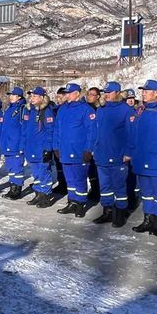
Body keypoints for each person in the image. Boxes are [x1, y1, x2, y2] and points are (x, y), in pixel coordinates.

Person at [125, 79, 157, 237]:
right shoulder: (140, 110)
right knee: (145, 192)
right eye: (143, 91)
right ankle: (148, 220)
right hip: (141, 158)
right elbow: (133, 135)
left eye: (146, 91)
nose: (143, 93)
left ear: (156, 94)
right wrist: (130, 153)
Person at [53, 82, 97, 217]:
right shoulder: (62, 109)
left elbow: (92, 131)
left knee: (79, 179)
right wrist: (56, 147)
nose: (67, 95)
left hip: (79, 151)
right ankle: (72, 201)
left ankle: (80, 203)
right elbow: (57, 130)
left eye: (69, 93)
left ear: (77, 94)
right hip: (65, 150)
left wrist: (88, 149)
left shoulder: (86, 109)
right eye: (66, 93)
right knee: (70, 179)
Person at [91, 81, 131, 227]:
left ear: (117, 93)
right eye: (105, 92)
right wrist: (93, 148)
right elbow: (95, 132)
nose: (106, 95)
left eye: (109, 92)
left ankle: (119, 214)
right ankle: (107, 212)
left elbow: (131, 133)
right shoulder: (101, 110)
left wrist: (128, 152)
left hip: (118, 155)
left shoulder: (126, 110)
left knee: (119, 187)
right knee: (105, 187)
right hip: (101, 154)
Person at [21, 87, 56, 208]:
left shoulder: (47, 111)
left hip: (41, 149)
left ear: (42, 98)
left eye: (35, 96)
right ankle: (38, 194)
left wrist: (48, 149)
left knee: (43, 173)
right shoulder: (30, 111)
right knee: (35, 174)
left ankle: (45, 196)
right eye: (31, 96)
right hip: (31, 148)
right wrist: (24, 145)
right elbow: (25, 130)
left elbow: (50, 132)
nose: (32, 98)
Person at [0, 86, 27, 199]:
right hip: (8, 143)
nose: (11, 97)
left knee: (17, 168)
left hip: (16, 144)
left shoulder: (22, 109)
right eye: (10, 95)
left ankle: (17, 190)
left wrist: (21, 145)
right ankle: (12, 188)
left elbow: (24, 129)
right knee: (10, 167)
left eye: (13, 95)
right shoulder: (9, 108)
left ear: (19, 97)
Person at [122, 88, 140, 215]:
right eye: (128, 99)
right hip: (122, 148)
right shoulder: (123, 112)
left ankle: (131, 199)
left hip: (134, 149)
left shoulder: (137, 112)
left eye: (132, 99)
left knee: (131, 176)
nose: (130, 101)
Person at [85, 86, 102, 202]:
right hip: (88, 142)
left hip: (100, 143)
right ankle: (94, 188)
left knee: (98, 168)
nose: (89, 96)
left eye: (92, 95)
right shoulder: (85, 108)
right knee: (90, 168)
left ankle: (100, 190)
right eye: (88, 94)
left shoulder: (101, 109)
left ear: (98, 97)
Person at [51, 87, 68, 194]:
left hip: (65, 142)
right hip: (57, 141)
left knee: (65, 165)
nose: (58, 99)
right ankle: (61, 184)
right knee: (58, 165)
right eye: (57, 97)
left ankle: (66, 185)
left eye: (60, 97)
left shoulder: (67, 109)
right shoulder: (56, 109)